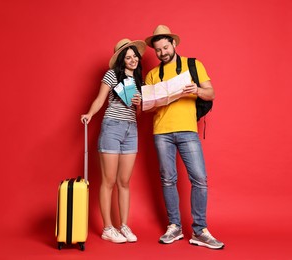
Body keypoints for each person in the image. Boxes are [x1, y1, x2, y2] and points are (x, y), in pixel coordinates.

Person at [144, 25, 224, 249]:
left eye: (166, 47)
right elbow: (147, 108)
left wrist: (195, 90)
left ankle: (200, 230)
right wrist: (153, 100)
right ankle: (174, 226)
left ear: (174, 44)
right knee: (168, 180)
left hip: (188, 130)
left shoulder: (193, 65)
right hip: (161, 132)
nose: (162, 53)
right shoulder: (152, 74)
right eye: (158, 50)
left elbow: (211, 93)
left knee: (199, 179)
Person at [81, 38, 146, 243]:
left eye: (135, 56)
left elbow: (140, 114)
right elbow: (100, 99)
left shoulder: (139, 80)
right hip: (112, 127)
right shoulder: (111, 75)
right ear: (121, 59)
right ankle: (108, 228)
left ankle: (124, 226)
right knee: (108, 181)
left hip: (131, 130)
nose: (133, 59)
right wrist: (90, 114)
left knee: (124, 182)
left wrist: (138, 104)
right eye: (128, 57)